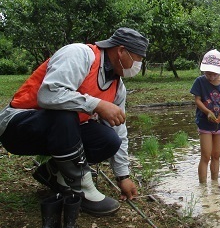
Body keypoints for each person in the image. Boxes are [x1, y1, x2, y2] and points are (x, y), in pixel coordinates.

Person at [0, 27, 149, 217]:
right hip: (19, 126)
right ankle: (80, 186)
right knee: (65, 112)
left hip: (60, 134)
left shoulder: (118, 87)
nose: (138, 64)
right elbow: (48, 95)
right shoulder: (79, 55)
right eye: (137, 58)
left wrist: (123, 176)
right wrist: (97, 104)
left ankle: (55, 173)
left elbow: (120, 130)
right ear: (121, 51)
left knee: (109, 140)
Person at [190, 49, 220, 183]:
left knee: (216, 155)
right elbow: (197, 100)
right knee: (205, 156)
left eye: (213, 73)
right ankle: (203, 186)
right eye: (208, 73)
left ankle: (214, 184)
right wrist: (207, 112)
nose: (210, 76)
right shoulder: (200, 82)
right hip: (204, 123)